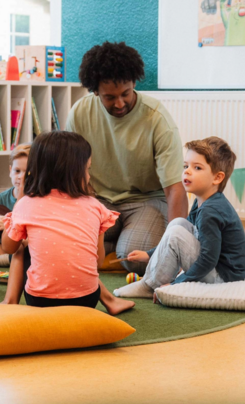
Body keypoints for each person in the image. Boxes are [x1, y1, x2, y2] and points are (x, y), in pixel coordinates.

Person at [67, 41, 186, 274]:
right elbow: (70, 172)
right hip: (98, 200)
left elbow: (174, 189)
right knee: (67, 246)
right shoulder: (80, 112)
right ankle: (118, 240)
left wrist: (177, 243)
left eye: (126, 94)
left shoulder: (157, 118)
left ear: (134, 84)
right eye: (109, 97)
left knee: (134, 258)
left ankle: (120, 243)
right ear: (94, 91)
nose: (120, 103)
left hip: (146, 201)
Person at [0, 131, 134, 314]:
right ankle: (109, 300)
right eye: (87, 169)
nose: (88, 176)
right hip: (86, 300)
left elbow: (9, 248)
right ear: (74, 172)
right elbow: (98, 262)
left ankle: (9, 302)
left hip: (40, 302)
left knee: (23, 247)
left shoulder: (26, 204)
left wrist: (18, 210)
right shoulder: (96, 207)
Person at [119, 137, 245, 297]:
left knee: (176, 234)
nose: (187, 171)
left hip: (224, 277)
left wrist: (177, 284)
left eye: (197, 168)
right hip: (221, 268)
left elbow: (209, 259)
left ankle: (150, 285)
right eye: (186, 166)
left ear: (217, 178)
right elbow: (187, 231)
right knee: (178, 223)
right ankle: (153, 277)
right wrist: (150, 254)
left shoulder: (211, 211)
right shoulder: (202, 201)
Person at [0, 145, 29, 265]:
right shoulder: (1, 198)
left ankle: (1, 260)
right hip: (5, 245)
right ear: (10, 171)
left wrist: (9, 227)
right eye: (17, 171)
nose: (21, 177)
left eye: (27, 173)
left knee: (22, 246)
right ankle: (8, 259)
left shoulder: (37, 200)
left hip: (25, 244)